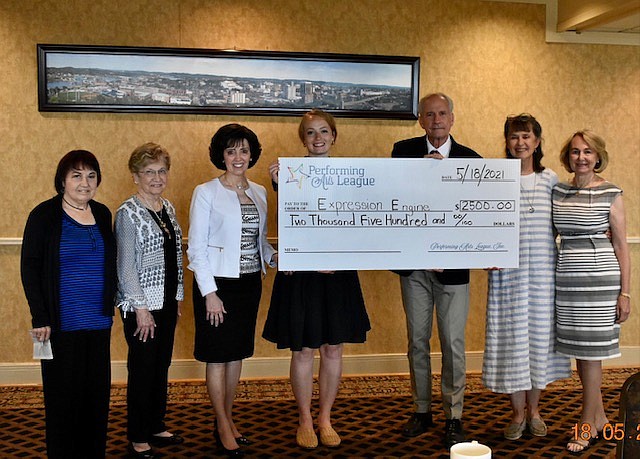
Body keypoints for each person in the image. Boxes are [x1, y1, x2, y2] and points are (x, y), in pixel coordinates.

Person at [263, 109, 371, 450]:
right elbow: (290, 223)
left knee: (333, 347)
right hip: (303, 274)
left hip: (338, 273)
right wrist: (279, 184)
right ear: (303, 139)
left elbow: (361, 222)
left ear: (334, 136)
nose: (318, 138)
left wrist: (341, 256)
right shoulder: (289, 174)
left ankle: (325, 417)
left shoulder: (353, 176)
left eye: (324, 131)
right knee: (304, 348)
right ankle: (305, 419)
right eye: (311, 133)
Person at [390, 93, 481, 447]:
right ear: (420, 120)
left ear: (452, 118)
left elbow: (478, 213)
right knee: (416, 341)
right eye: (430, 114)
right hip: (414, 267)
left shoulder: (471, 160)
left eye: (442, 114)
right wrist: (421, 175)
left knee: (453, 343)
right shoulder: (402, 151)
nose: (437, 120)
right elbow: (390, 199)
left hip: (453, 270)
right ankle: (421, 409)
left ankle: (454, 416)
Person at [187, 124, 276, 457]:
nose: (238, 157)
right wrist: (209, 292)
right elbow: (196, 248)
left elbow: (259, 241)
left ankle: (227, 418)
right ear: (220, 156)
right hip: (218, 286)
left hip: (249, 283)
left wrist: (274, 256)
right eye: (230, 151)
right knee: (218, 356)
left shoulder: (259, 192)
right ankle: (222, 423)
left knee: (237, 353)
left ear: (251, 154)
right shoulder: (206, 191)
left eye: (243, 150)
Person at [20, 150, 117, 458]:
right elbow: (30, 268)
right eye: (76, 175)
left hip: (98, 323)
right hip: (60, 326)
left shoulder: (102, 214)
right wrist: (40, 317)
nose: (84, 183)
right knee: (63, 402)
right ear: (62, 180)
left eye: (91, 176)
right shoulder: (44, 216)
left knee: (96, 400)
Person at [482, 114, 571, 441]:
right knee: (513, 342)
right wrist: (484, 252)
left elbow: (567, 218)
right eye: (514, 137)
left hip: (544, 277)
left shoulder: (550, 179)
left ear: (537, 141)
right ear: (507, 142)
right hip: (508, 278)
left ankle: (535, 411)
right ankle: (517, 414)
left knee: (538, 342)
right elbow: (481, 222)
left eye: (526, 136)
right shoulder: (495, 178)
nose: (520, 142)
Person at [552, 130, 631, 454]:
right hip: (568, 282)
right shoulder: (558, 192)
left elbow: (622, 245)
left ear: (598, 156)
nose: (581, 157)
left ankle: (586, 425)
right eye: (575, 152)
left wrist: (625, 293)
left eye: (587, 152)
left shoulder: (611, 192)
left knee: (593, 355)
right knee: (581, 354)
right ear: (567, 156)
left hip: (600, 282)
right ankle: (599, 419)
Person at [115, 142, 185, 458]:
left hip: (166, 301)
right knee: (142, 368)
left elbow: (175, 257)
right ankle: (138, 434)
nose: (156, 177)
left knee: (161, 365)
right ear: (135, 176)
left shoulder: (166, 208)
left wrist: (178, 297)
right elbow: (125, 265)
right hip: (142, 306)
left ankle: (156, 423)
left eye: (161, 171)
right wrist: (141, 308)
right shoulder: (128, 213)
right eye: (148, 172)